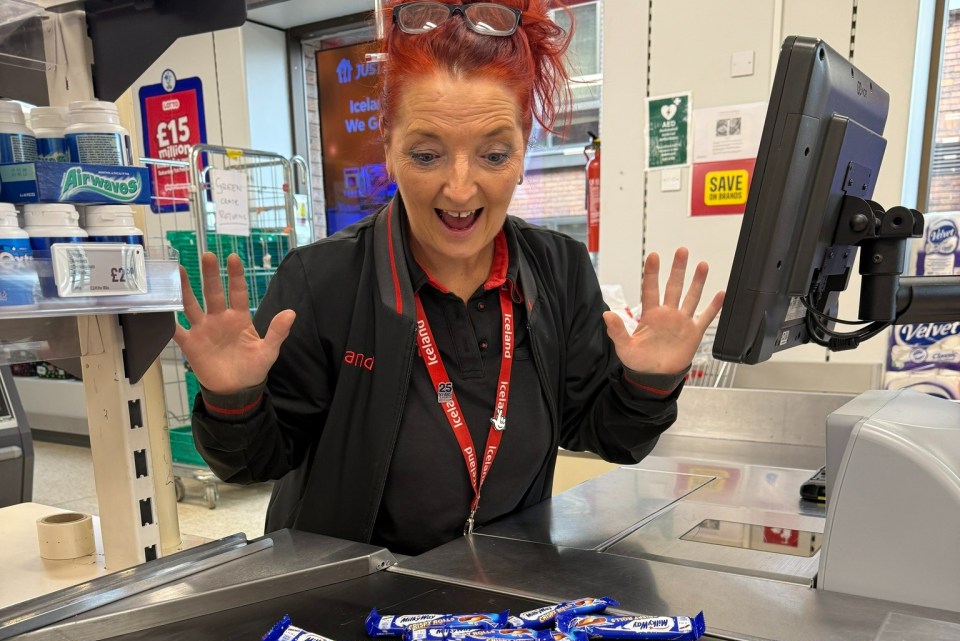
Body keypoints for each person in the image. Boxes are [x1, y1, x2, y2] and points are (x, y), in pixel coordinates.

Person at [177, 0, 724, 555]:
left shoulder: (558, 270)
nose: (460, 190)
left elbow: (607, 436)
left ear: (523, 149)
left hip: (502, 604)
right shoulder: (321, 283)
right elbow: (256, 463)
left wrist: (648, 385)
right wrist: (232, 398)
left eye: (492, 155)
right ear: (388, 148)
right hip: (355, 614)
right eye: (426, 154)